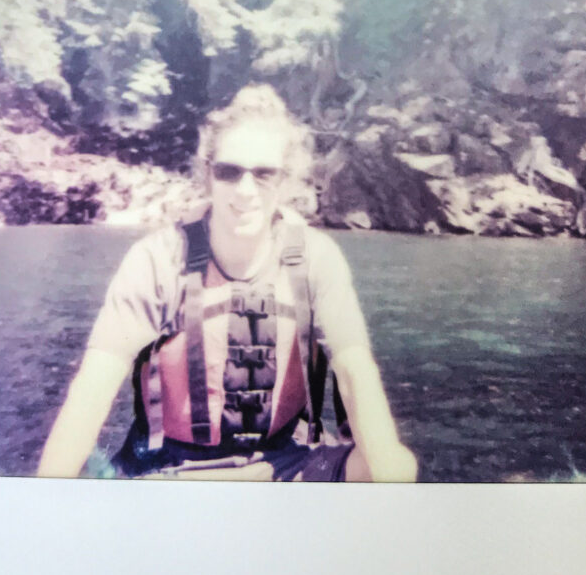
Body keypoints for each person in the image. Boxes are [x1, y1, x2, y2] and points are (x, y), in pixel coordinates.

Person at [38, 84, 418, 482]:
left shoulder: (316, 259)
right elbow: (92, 389)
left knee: (395, 465)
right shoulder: (157, 260)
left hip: (285, 461)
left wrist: (387, 470)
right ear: (208, 175)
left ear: (285, 180)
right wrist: (47, 495)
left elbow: (355, 369)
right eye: (229, 171)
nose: (245, 191)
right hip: (169, 470)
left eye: (264, 174)